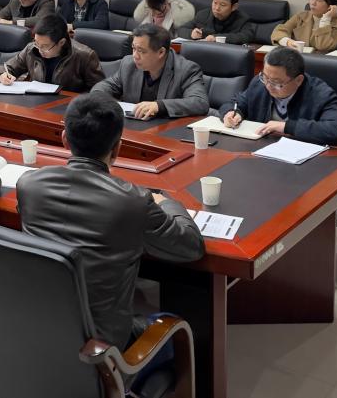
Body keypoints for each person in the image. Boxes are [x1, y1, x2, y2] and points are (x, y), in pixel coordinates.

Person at [16, 91, 204, 353]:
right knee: (175, 330)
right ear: (117, 148)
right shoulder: (134, 201)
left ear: (64, 139)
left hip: (36, 331)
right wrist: (166, 202)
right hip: (102, 350)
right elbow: (191, 247)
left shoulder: (29, 185)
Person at [219, 46, 337, 145]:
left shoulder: (321, 94)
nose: (268, 85)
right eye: (265, 77)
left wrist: (286, 126)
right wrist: (232, 113)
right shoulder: (259, 83)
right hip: (259, 150)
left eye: (276, 82)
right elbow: (235, 102)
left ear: (298, 80)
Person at [93, 24, 209, 120]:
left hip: (166, 131)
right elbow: (104, 87)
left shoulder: (186, 70)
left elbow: (199, 102)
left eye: (141, 51)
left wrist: (159, 106)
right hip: (135, 128)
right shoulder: (129, 64)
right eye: (133, 48)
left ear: (161, 52)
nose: (135, 56)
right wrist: (101, 98)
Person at [0, 13, 105, 92]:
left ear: (61, 42)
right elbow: (7, 67)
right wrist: (3, 75)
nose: (39, 49)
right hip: (36, 104)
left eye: (45, 46)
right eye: (36, 43)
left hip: (69, 107)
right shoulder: (31, 49)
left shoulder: (84, 55)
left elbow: (99, 91)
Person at [271, 0, 337, 53]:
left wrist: (326, 19)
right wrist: (288, 42)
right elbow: (279, 31)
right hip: (297, 57)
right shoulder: (301, 16)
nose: (313, 3)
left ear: (330, 6)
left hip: (322, 61)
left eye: (319, 0)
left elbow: (323, 46)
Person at [175, 0, 255, 44]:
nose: (216, 8)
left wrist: (216, 38)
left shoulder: (242, 19)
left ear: (234, 7)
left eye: (223, 5)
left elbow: (246, 37)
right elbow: (181, 30)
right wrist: (191, 34)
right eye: (215, 2)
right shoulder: (203, 15)